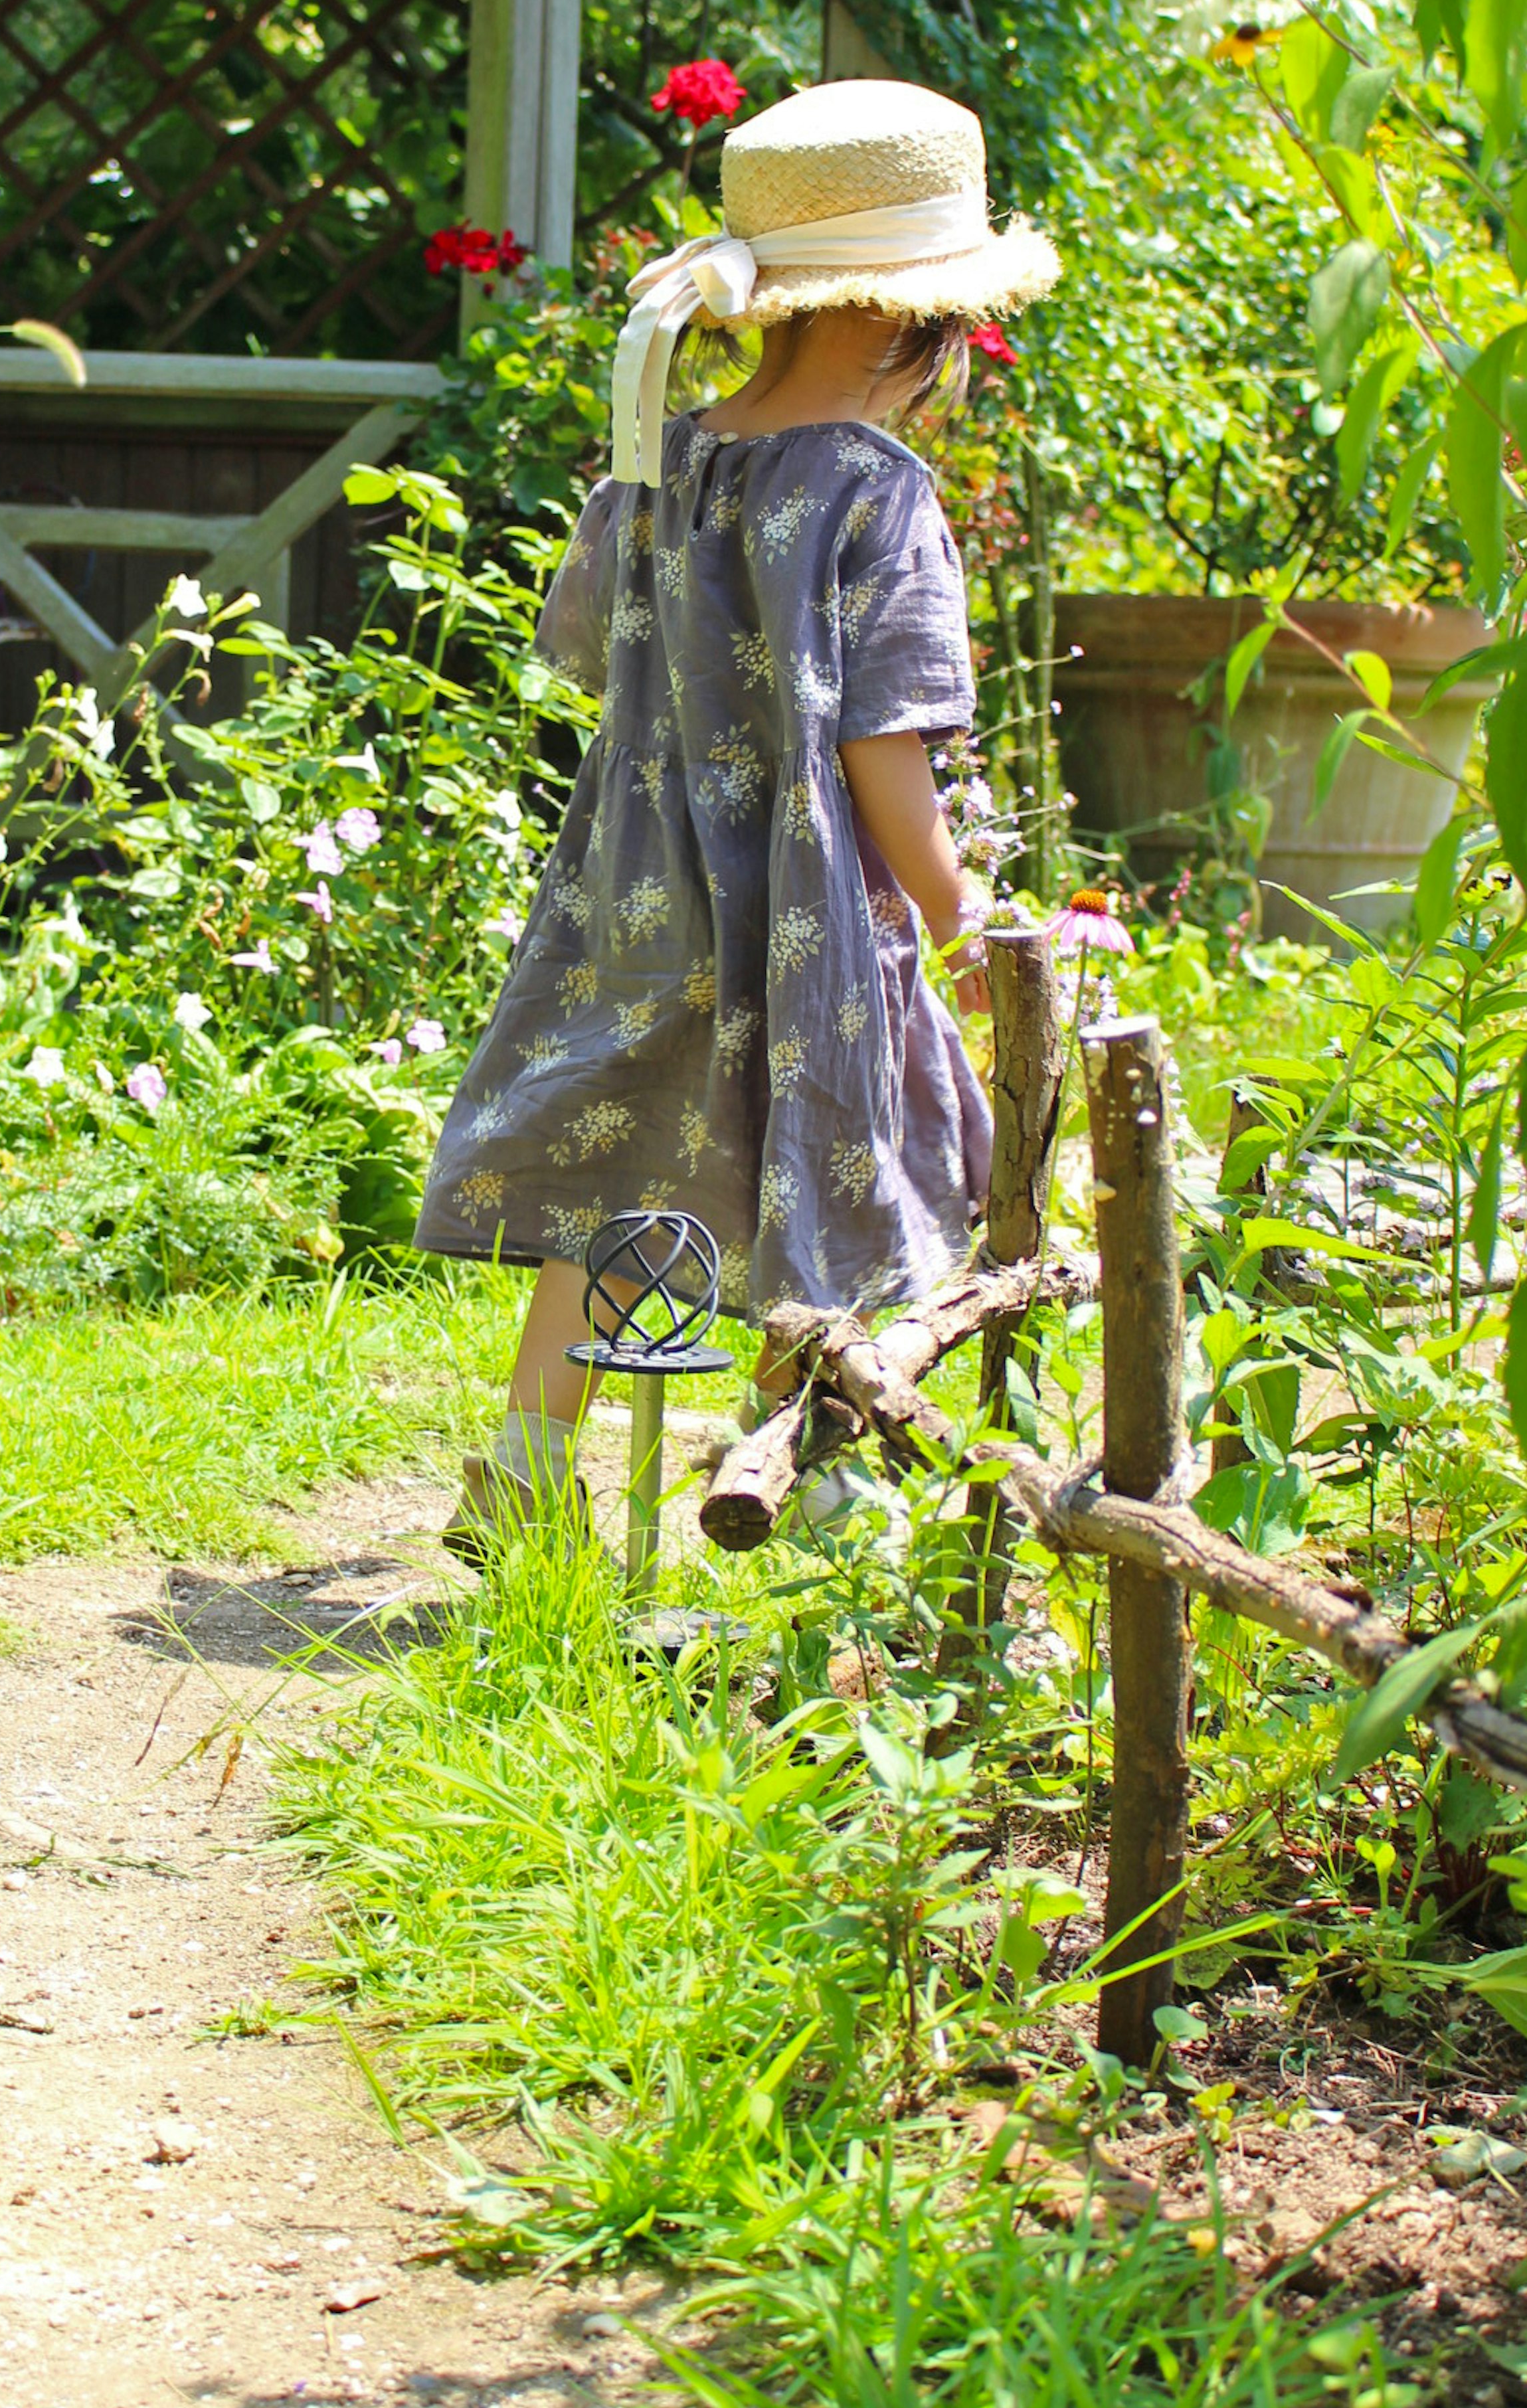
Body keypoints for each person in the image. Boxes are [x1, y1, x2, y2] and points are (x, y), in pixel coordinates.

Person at [414, 76, 1060, 1553]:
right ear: (925, 326)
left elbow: (587, 654)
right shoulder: (876, 493)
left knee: (621, 1153)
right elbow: (882, 744)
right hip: (805, 897)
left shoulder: (657, 462)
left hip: (635, 880)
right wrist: (958, 908)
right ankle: (825, 1477)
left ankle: (525, 1468)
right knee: (832, 1152)